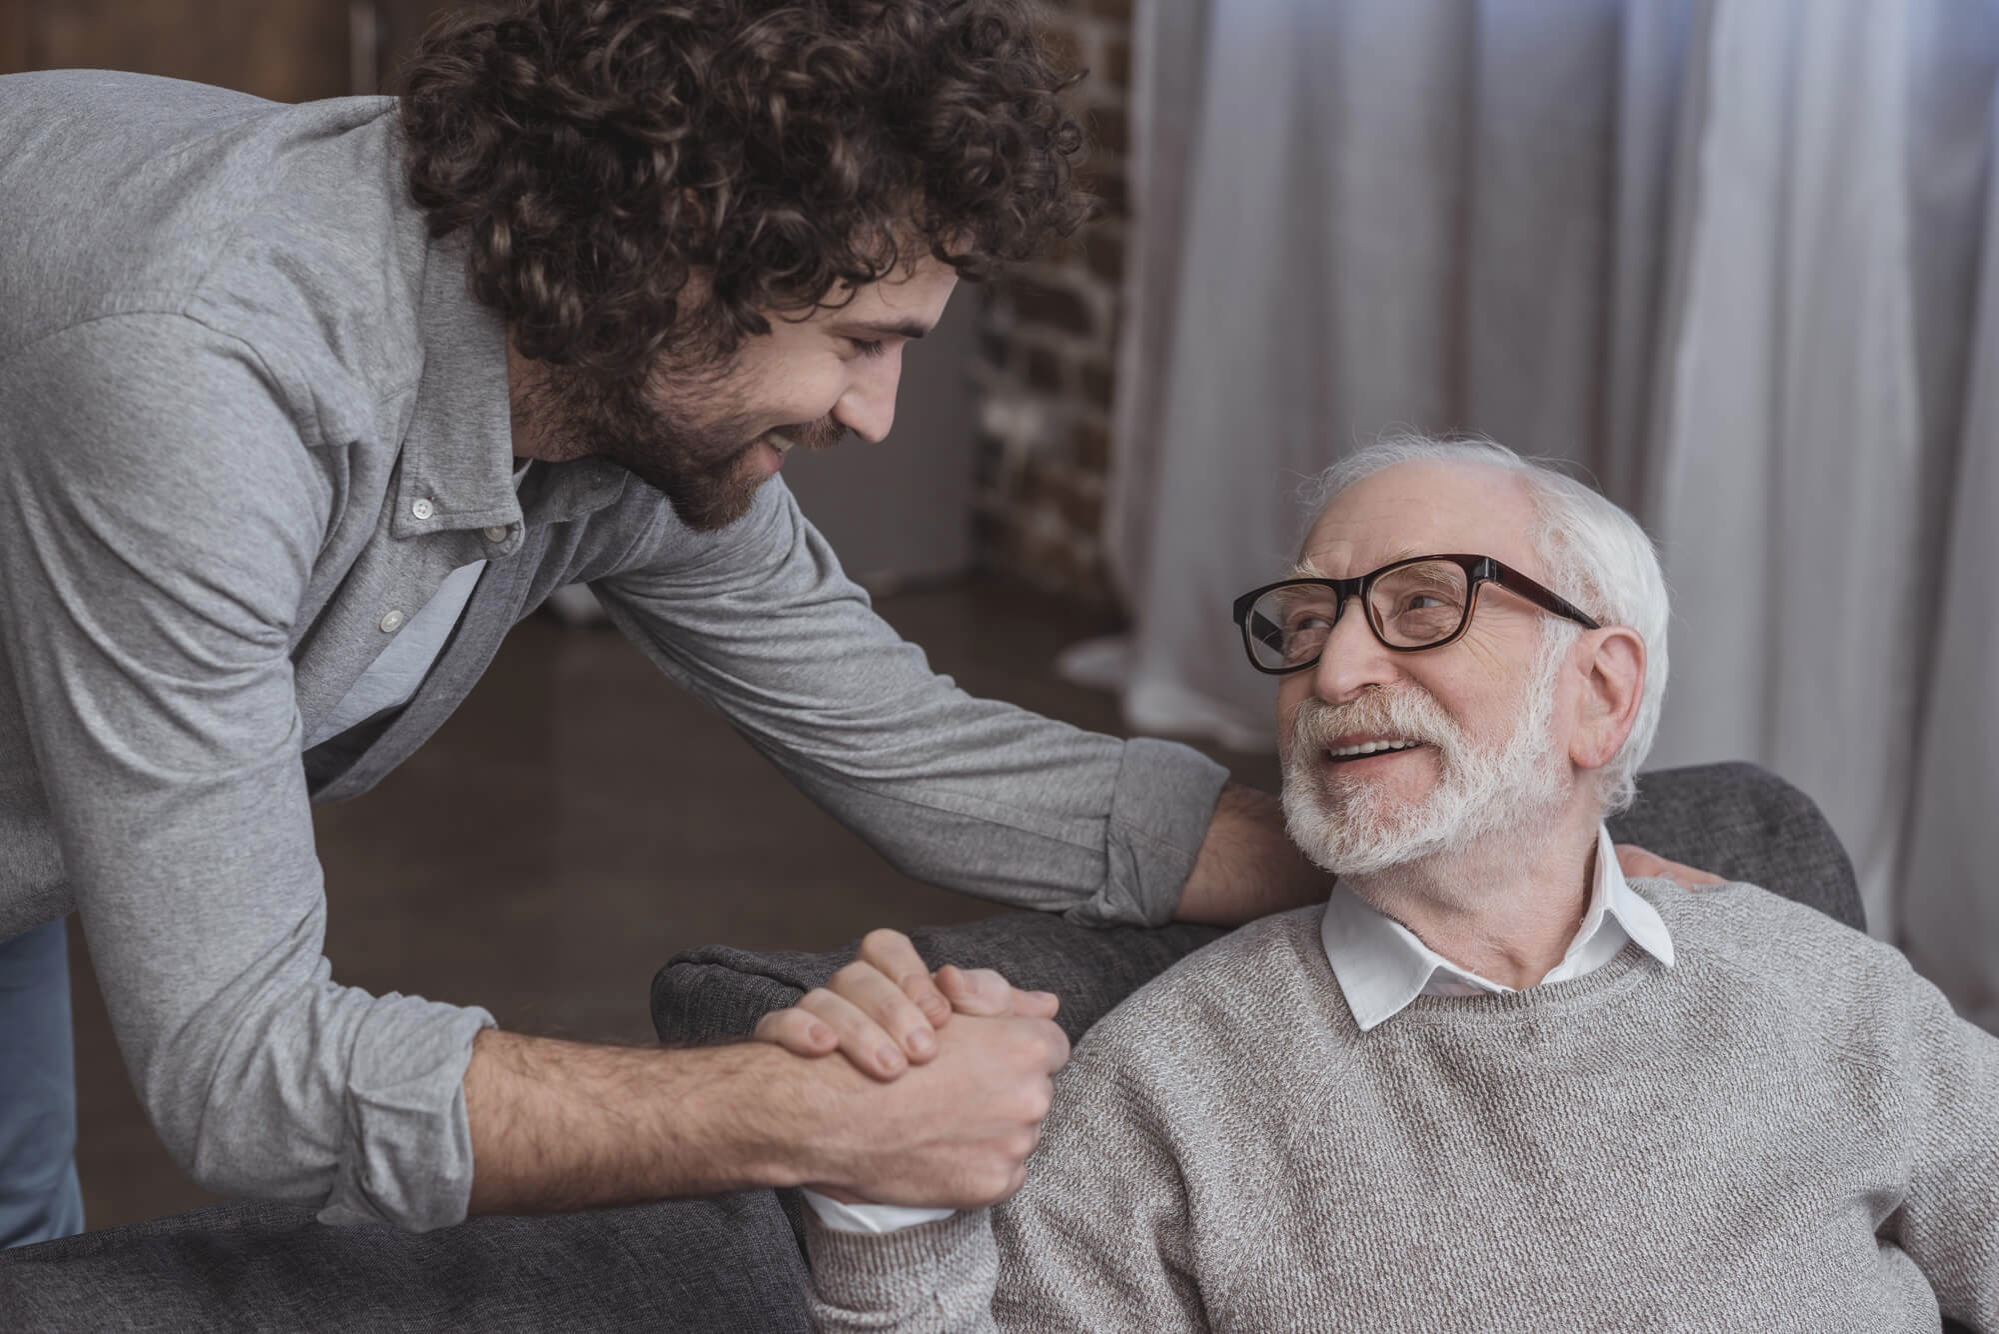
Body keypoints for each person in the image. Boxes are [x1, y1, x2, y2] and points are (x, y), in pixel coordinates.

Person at [798, 437, 1999, 1331]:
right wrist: (885, 1216)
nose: (1335, 668)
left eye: (1422, 603)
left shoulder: (1828, 993)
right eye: (1308, 622)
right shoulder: (1168, 1085)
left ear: (1602, 692)